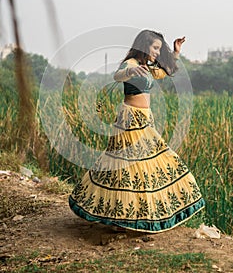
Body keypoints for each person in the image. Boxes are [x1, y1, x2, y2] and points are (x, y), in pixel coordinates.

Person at [69, 30, 205, 233]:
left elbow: (165, 71)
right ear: (144, 46)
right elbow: (118, 75)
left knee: (142, 166)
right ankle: (123, 218)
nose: (158, 53)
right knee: (128, 167)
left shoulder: (147, 68)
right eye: (155, 48)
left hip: (144, 120)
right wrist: (131, 73)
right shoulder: (132, 64)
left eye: (160, 48)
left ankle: (128, 217)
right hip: (130, 120)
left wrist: (176, 52)